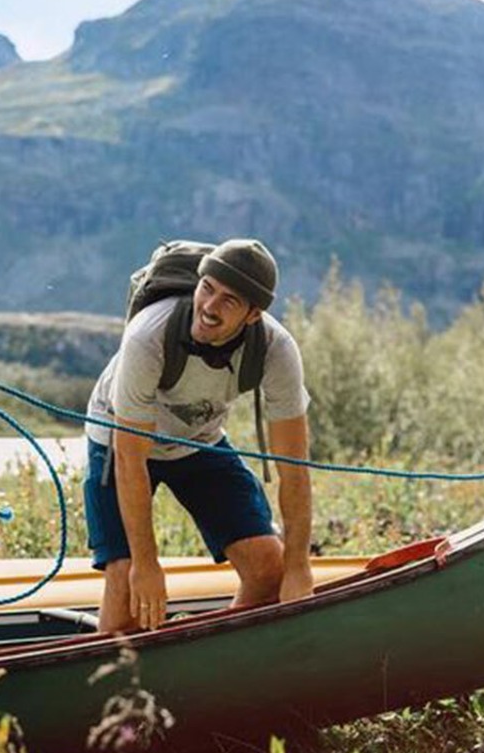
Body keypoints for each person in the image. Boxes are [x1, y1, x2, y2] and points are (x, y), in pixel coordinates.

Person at [83, 239, 313, 633]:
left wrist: (298, 567)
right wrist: (145, 563)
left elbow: (294, 469)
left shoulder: (276, 351)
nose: (209, 307)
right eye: (207, 288)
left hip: (198, 441)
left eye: (229, 301)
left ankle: (219, 674)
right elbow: (130, 458)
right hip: (119, 443)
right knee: (127, 593)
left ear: (253, 314)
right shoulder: (148, 335)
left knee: (268, 571)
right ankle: (116, 689)